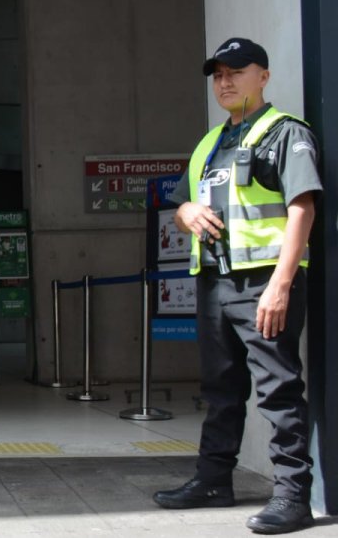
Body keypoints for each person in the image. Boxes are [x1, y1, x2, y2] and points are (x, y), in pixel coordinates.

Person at [152, 38, 320, 534]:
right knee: (220, 389)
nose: (225, 82)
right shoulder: (210, 143)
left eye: (236, 72)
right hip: (215, 283)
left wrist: (281, 284)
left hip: (264, 281)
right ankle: (213, 480)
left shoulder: (285, 133)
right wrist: (186, 212)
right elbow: (182, 208)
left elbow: (303, 207)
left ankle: (292, 496)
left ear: (263, 76)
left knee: (278, 390)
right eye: (219, 75)